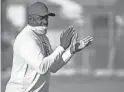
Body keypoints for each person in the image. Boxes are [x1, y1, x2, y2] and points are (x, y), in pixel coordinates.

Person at [5, 2, 93, 92]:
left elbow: (53, 67)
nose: (45, 21)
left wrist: (71, 51)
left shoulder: (43, 38)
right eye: (41, 18)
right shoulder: (26, 39)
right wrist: (62, 47)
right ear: (31, 19)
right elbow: (42, 68)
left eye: (46, 18)